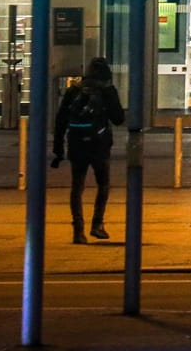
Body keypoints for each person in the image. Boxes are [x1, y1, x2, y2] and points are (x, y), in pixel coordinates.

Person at [51, 57, 125, 245]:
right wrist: (110, 94)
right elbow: (118, 119)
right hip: (99, 144)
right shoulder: (106, 90)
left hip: (76, 143)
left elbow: (60, 120)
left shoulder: (74, 90)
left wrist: (58, 149)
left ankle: (78, 231)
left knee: (77, 187)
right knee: (103, 184)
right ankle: (97, 224)